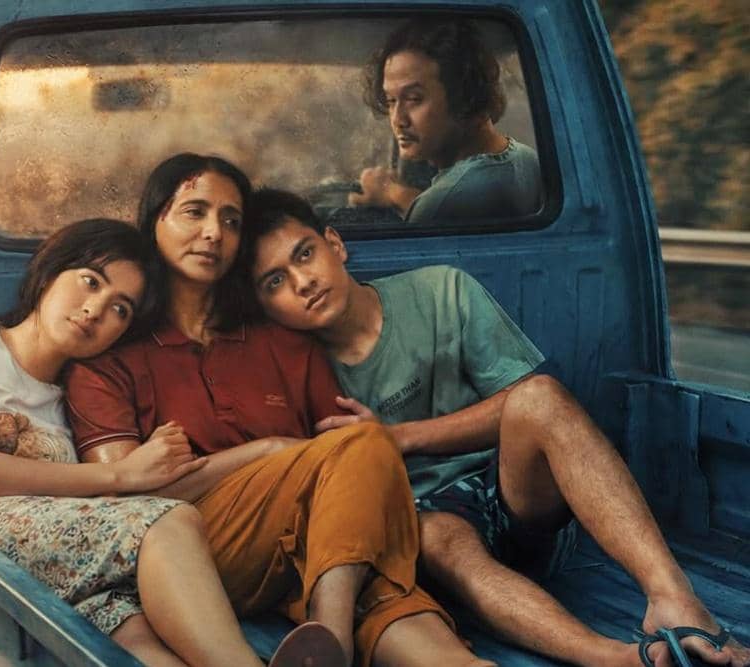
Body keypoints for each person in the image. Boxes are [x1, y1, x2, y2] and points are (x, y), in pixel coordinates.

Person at [243, 187, 750, 667]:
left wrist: (399, 437)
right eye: (275, 282)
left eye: (304, 254)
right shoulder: (291, 374)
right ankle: (613, 657)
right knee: (434, 533)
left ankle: (673, 599)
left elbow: (522, 399)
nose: (302, 282)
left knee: (540, 397)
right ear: (264, 307)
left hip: (516, 495)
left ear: (334, 244)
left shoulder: (440, 290)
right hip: (426, 533)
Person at [64, 154, 492, 667]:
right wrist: (264, 451)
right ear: (154, 220)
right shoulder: (109, 359)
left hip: (313, 551)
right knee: (361, 449)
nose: (214, 233)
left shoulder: (282, 342)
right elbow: (125, 506)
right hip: (189, 559)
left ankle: (338, 640)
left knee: (382, 579)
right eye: (194, 212)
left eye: (230, 221)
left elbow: (347, 470)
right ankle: (330, 634)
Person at [0, 218, 301, 667]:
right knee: (165, 521)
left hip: (50, 563)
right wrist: (119, 474)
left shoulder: (80, 401)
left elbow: (99, 508)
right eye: (91, 281)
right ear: (49, 271)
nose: (96, 309)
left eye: (121, 309)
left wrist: (259, 451)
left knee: (134, 636)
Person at [349, 18, 542, 224]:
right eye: (391, 101)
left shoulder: (440, 205)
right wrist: (394, 193)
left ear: (463, 94)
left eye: (414, 99)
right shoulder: (527, 159)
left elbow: (443, 206)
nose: (397, 120)